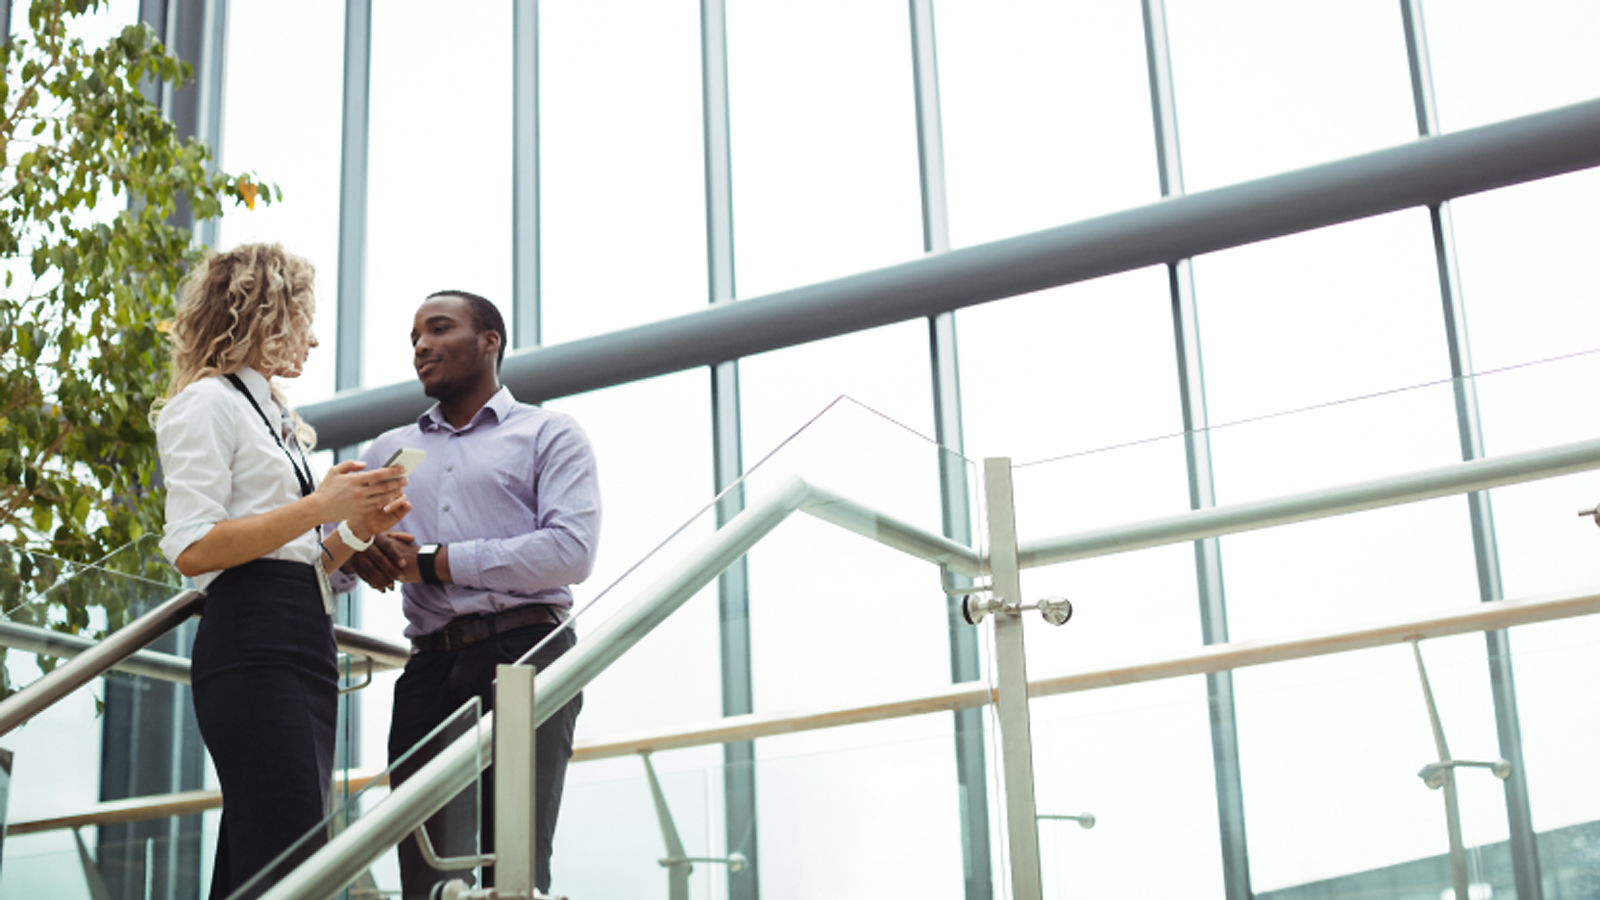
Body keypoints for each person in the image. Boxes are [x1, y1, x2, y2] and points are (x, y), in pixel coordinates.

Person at [153, 243, 412, 899]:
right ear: (262, 315)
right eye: (303, 318)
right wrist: (318, 505)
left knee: (264, 858)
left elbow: (303, 560)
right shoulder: (205, 404)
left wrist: (355, 529)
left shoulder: (268, 414)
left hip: (300, 636)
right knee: (291, 859)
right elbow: (192, 548)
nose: (315, 338)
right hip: (254, 641)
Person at [334, 290, 599, 898]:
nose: (421, 345)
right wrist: (356, 543)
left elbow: (570, 552)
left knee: (513, 865)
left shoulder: (548, 434)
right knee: (425, 875)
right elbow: (331, 568)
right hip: (428, 668)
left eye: (439, 328)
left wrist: (430, 563)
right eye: (414, 338)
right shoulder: (384, 452)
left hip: (528, 654)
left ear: (489, 342)